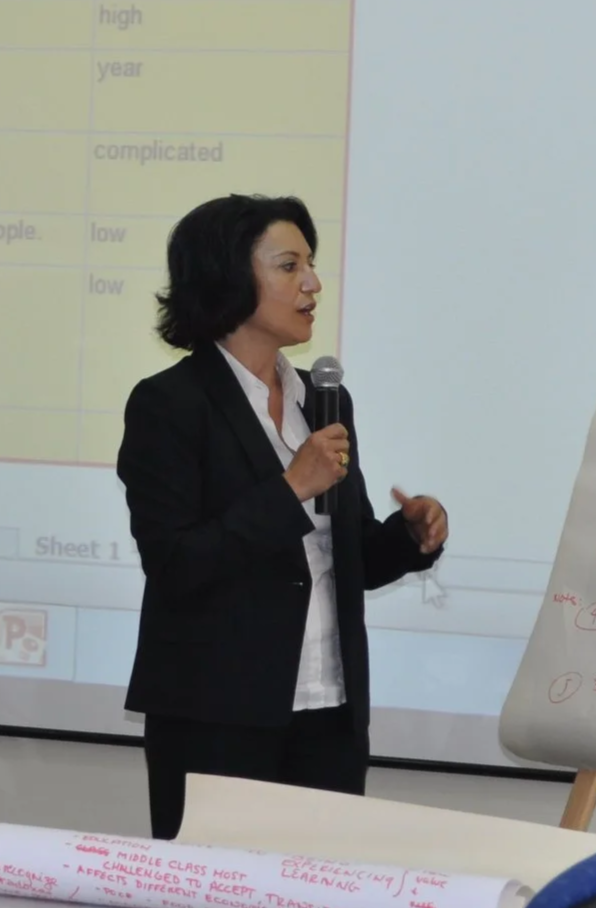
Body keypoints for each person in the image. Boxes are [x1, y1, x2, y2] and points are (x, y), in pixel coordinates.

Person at [116, 193, 448, 840]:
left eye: (312, 264)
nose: (313, 282)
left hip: (329, 713)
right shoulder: (169, 405)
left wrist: (406, 538)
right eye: (290, 265)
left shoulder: (324, 399)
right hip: (216, 720)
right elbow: (175, 562)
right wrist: (289, 487)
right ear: (227, 277)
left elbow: (339, 555)